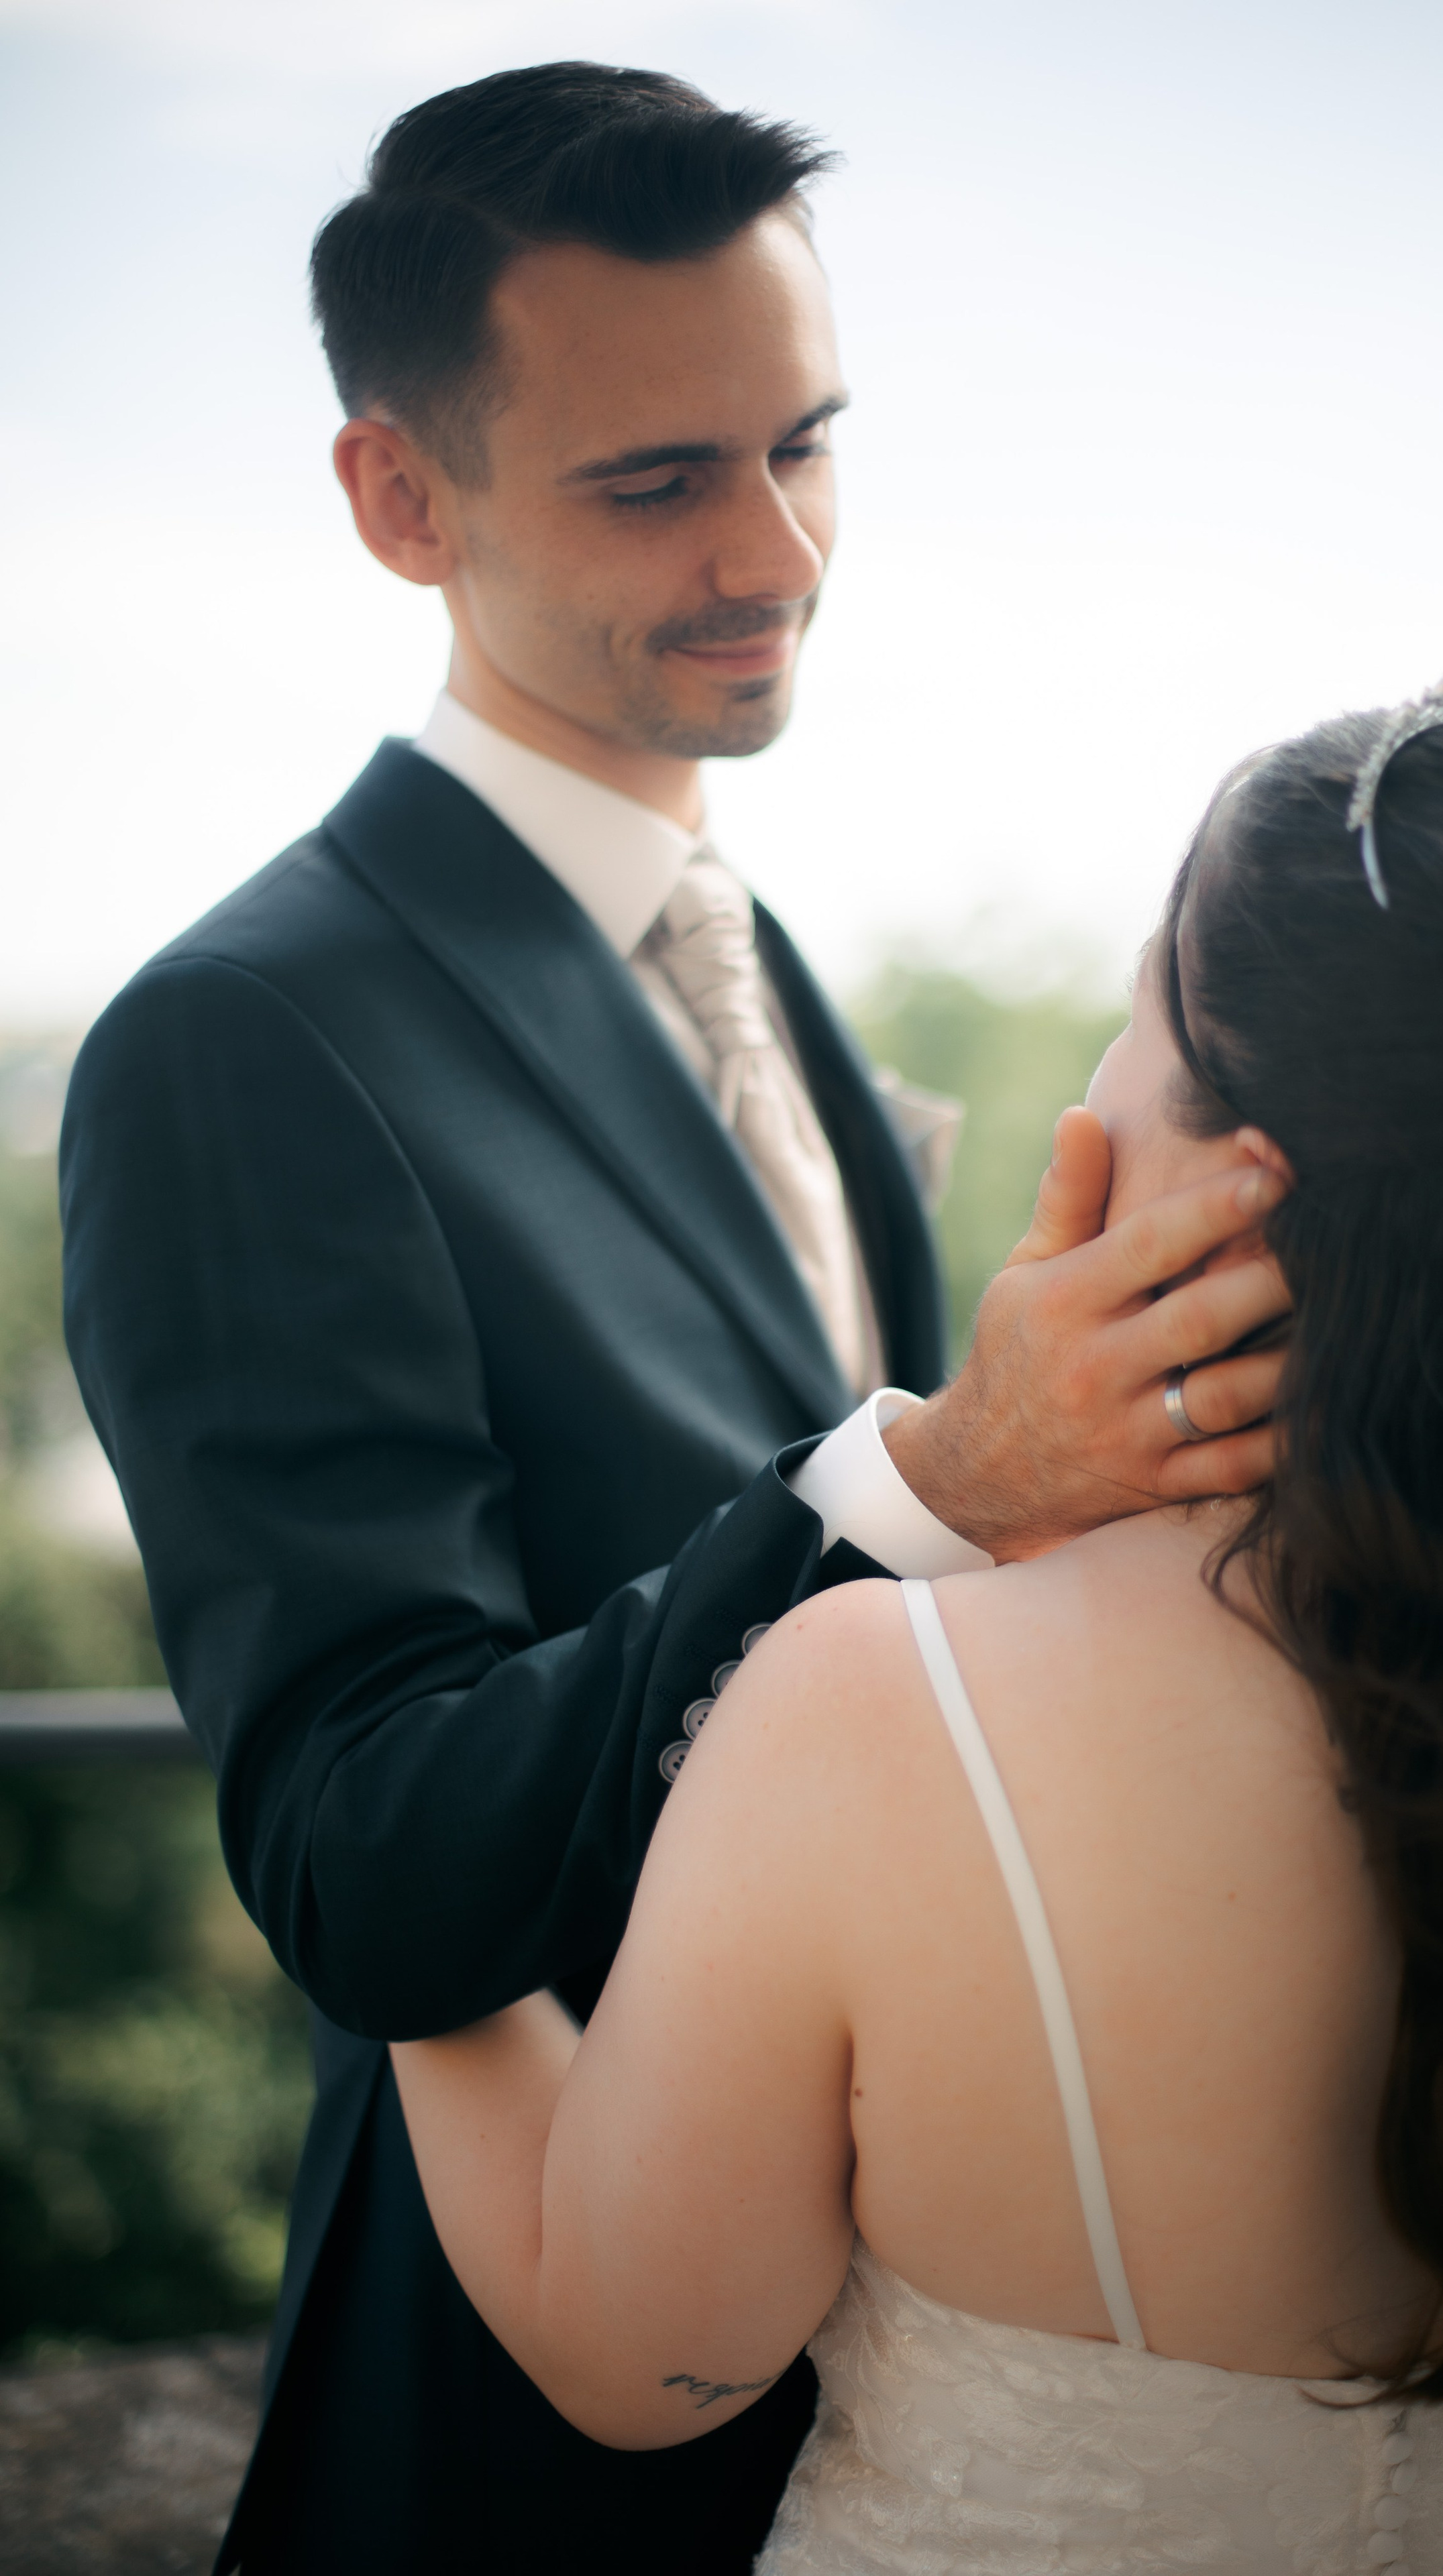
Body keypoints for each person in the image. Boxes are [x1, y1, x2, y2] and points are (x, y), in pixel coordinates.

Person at [57, 62, 1284, 2576]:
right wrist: (931, 1478)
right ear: (400, 499)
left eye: (806, 444)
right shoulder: (242, 1038)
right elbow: (365, 1853)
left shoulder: (760, 961)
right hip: (529, 2430)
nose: (777, 549)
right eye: (658, 482)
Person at [391, 659, 1443, 2571]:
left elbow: (633, 2350)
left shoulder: (886, 1712)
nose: (1096, 1078)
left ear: (1242, 1181)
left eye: (1138, 1010)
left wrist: (395, 1845)